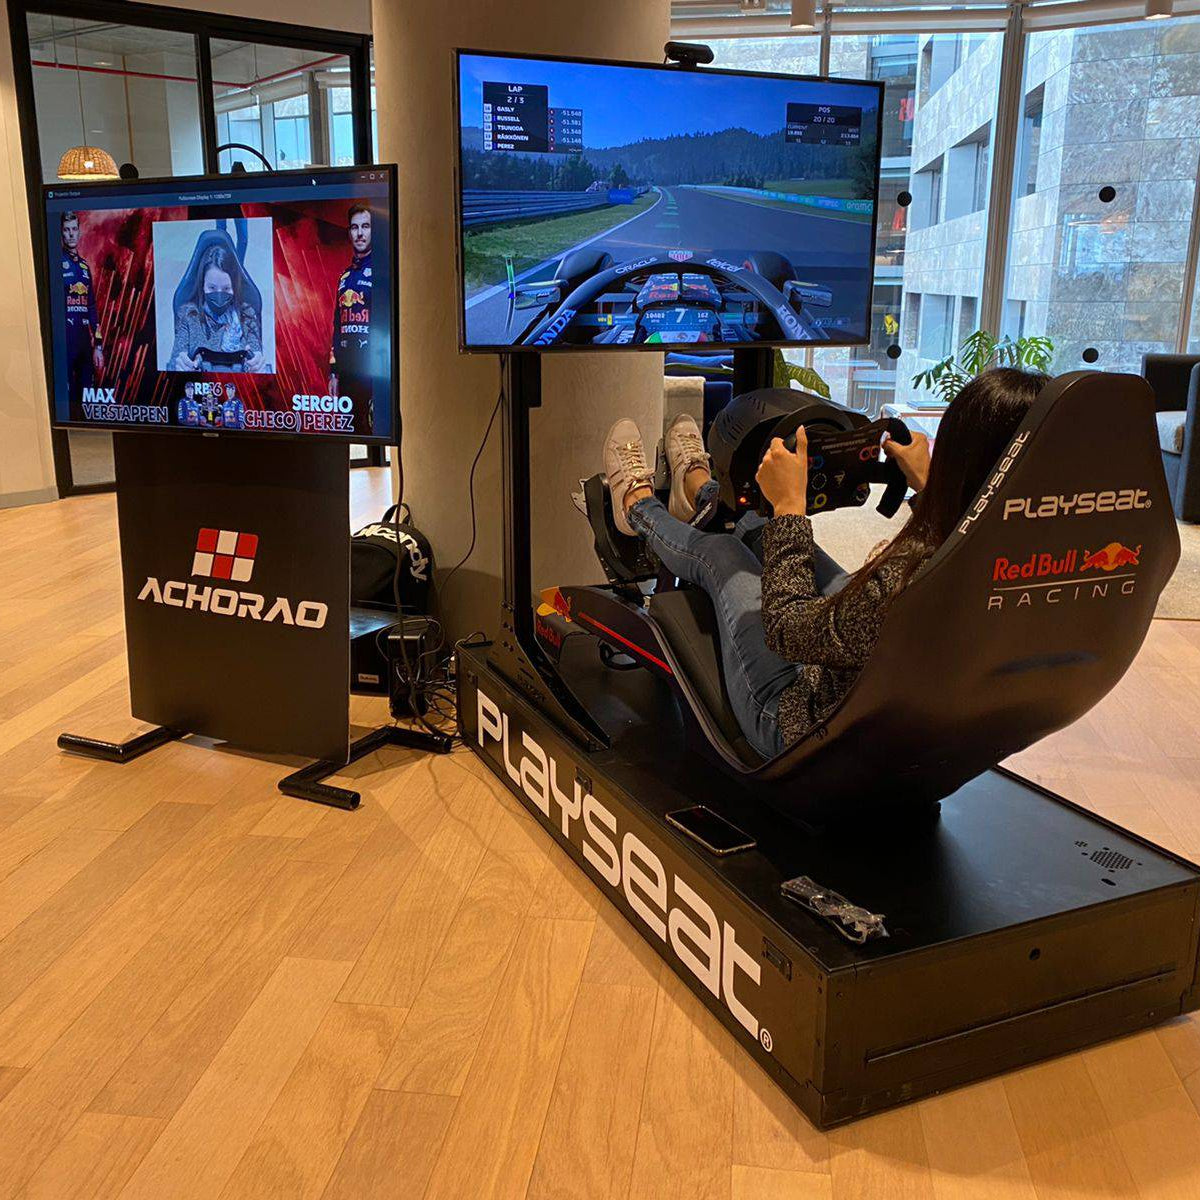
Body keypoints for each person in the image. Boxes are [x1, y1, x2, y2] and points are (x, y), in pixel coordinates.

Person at [603, 368, 1047, 761]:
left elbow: (787, 631)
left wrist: (791, 508)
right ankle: (698, 486)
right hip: (887, 711)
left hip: (800, 725)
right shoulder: (1027, 555)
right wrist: (929, 486)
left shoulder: (907, 580)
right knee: (758, 524)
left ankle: (636, 506)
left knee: (725, 554)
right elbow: (959, 539)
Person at [170, 244, 264, 373]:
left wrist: (257, 365)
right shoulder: (188, 314)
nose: (219, 295)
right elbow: (175, 360)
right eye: (212, 288)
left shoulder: (247, 314)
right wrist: (179, 365)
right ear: (202, 285)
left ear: (235, 287)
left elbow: (256, 354)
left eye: (226, 288)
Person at [329, 204, 374, 430]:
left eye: (365, 226)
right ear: (349, 232)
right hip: (346, 369)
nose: (360, 233)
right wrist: (334, 372)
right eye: (355, 227)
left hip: (372, 368)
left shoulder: (381, 271)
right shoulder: (345, 276)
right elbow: (337, 326)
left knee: (372, 427)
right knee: (350, 428)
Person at [61, 212, 104, 412]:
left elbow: (92, 308)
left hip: (85, 345)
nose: (71, 234)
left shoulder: (85, 267)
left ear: (79, 232)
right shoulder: (56, 264)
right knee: (68, 402)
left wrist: (98, 346)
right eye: (66, 230)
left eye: (74, 229)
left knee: (87, 398)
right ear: (62, 233)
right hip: (65, 344)